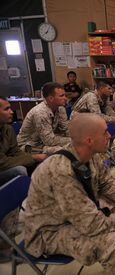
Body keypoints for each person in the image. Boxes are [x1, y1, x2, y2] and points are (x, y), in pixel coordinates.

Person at [24, 113, 115, 275]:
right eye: (104, 132)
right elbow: (90, 224)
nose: (109, 135)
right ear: (89, 140)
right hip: (49, 234)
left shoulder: (88, 154)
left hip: (74, 216)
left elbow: (108, 183)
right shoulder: (61, 171)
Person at [0, 96, 47, 263]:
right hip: (4, 170)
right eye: (6, 109)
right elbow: (2, 161)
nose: (11, 111)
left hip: (5, 168)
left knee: (40, 163)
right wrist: (33, 157)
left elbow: (15, 153)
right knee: (20, 171)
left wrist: (33, 159)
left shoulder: (7, 129)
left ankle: (43, 215)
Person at [17, 82, 71, 154]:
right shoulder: (40, 112)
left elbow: (65, 129)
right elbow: (50, 141)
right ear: (51, 98)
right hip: (29, 145)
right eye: (61, 96)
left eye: (65, 95)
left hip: (43, 142)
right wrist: (73, 140)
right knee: (64, 151)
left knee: (75, 146)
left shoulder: (60, 108)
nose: (65, 98)